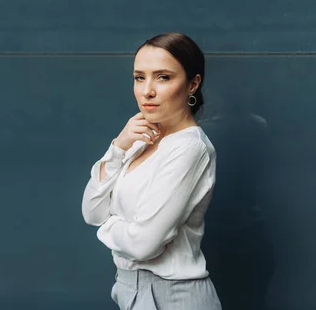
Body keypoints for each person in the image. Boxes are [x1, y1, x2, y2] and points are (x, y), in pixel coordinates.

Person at [81, 32, 222, 309]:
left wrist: (109, 224)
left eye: (163, 77)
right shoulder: (140, 140)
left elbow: (143, 244)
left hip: (173, 295)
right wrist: (119, 146)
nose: (147, 90)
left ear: (192, 84)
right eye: (139, 77)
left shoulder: (189, 148)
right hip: (128, 289)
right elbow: (91, 211)